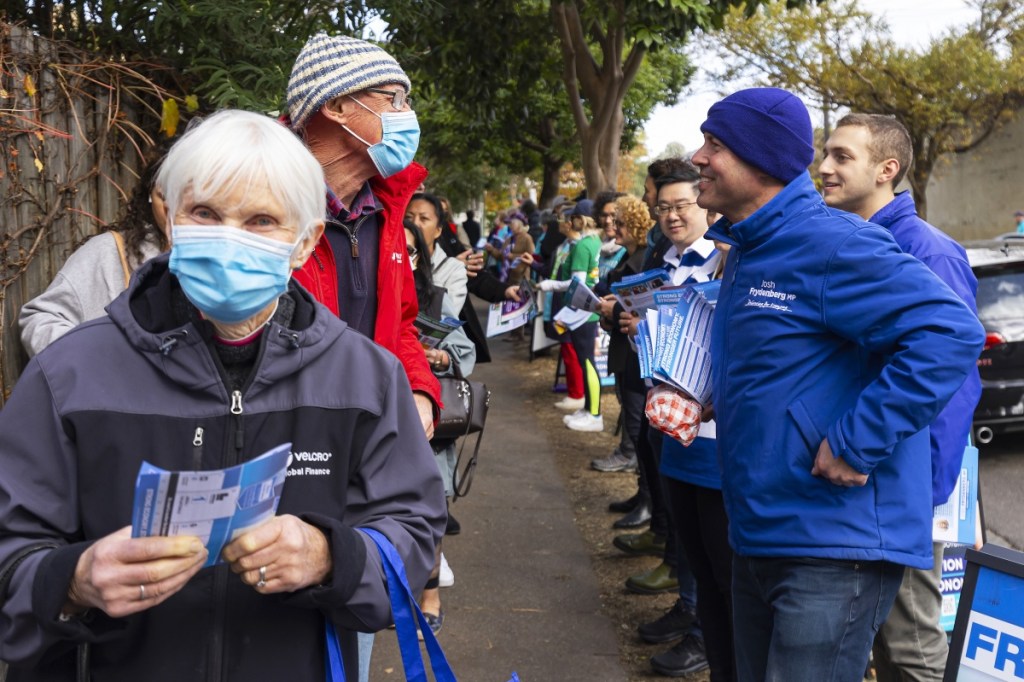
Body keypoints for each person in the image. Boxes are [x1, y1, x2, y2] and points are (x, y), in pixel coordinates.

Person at [0, 109, 445, 681]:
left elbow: (412, 532)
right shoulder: (69, 375)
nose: (229, 240)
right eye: (205, 213)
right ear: (168, 216)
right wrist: (73, 579)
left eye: (261, 220)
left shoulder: (365, 379)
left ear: (306, 241)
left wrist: (331, 556)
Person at [693, 87, 984, 681]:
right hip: (761, 529)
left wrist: (855, 442)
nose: (698, 157)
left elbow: (949, 333)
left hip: (830, 545)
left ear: (761, 159)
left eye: (714, 144)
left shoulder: (833, 243)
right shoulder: (750, 246)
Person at [820, 113, 982, 682]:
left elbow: (954, 385)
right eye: (826, 154)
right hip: (862, 484)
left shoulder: (928, 252)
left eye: (842, 157)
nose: (824, 167)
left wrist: (925, 498)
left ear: (887, 170)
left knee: (908, 647)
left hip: (904, 497)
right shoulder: (852, 243)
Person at [286, 32, 440, 439]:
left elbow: (401, 325)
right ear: (337, 106)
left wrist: (420, 389)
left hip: (370, 438)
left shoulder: (385, 213)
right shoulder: (263, 208)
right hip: (289, 444)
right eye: (394, 100)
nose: (407, 114)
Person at [19, 146, 170, 357]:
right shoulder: (109, 252)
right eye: (165, 196)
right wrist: (94, 362)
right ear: (150, 195)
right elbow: (40, 320)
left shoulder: (225, 260)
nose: (173, 209)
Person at [403, 219, 477, 637]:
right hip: (377, 422)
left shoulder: (434, 298)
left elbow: (463, 349)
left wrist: (442, 359)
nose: (404, 257)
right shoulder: (364, 295)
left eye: (412, 251)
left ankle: (430, 597)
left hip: (428, 426)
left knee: (429, 515)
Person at [537, 200, 604, 432]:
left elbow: (577, 283)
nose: (570, 221)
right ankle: (589, 408)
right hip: (588, 311)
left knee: (587, 362)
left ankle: (594, 413)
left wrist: (550, 284)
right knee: (587, 362)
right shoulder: (596, 242)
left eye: (573, 217)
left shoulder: (583, 246)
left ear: (580, 219)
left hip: (581, 312)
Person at [405, 192, 468, 312]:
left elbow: (445, 319)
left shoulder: (453, 269)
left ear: (438, 230)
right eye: (408, 217)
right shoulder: (391, 260)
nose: (414, 223)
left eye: (424, 218)